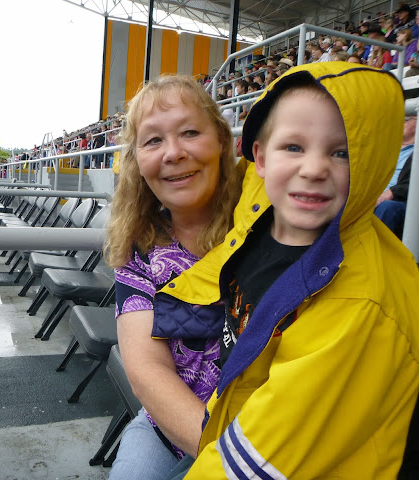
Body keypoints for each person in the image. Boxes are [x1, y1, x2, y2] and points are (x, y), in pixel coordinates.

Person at [157, 62, 419, 479]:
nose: (313, 169)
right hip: (233, 418)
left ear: (373, 162)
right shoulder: (263, 208)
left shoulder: (359, 303)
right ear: (260, 158)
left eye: (342, 153)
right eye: (294, 147)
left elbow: (262, 462)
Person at [105, 74, 242, 479]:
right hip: (169, 427)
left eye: (189, 132)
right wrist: (228, 462)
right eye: (153, 141)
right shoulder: (138, 248)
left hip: (271, 431)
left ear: (221, 140)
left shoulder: (270, 224)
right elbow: (148, 369)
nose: (174, 153)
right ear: (137, 161)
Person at [374, 115, 416, 237]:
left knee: (387, 207)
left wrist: (392, 192)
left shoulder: (415, 153)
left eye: (406, 119)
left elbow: (413, 183)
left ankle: (372, 247)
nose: (400, 122)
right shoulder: (385, 149)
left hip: (400, 202)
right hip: (373, 197)